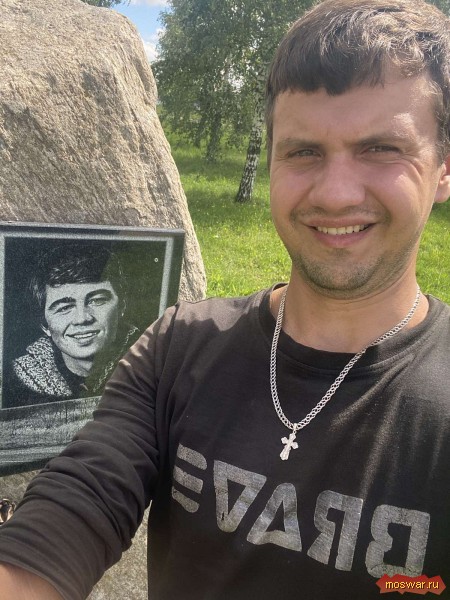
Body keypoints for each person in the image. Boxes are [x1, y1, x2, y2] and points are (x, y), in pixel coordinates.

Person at [0, 0, 449, 598]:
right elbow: (79, 499)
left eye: (381, 149)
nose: (336, 193)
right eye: (304, 151)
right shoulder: (178, 347)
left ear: (443, 169)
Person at [5, 243, 139, 406]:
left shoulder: (151, 362)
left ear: (122, 306)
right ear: (44, 325)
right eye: (64, 308)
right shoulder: (14, 380)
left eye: (97, 301)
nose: (82, 319)